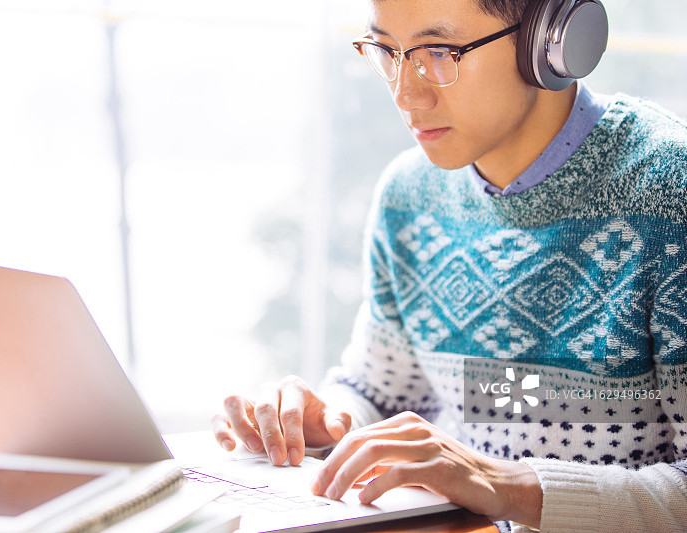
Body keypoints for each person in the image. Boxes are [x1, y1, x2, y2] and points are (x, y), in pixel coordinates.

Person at [212, 0, 687, 531]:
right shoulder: (410, 195)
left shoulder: (670, 195)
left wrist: (509, 487)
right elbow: (383, 390)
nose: (404, 94)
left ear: (552, 41)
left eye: (439, 52)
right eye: (389, 51)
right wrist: (333, 419)